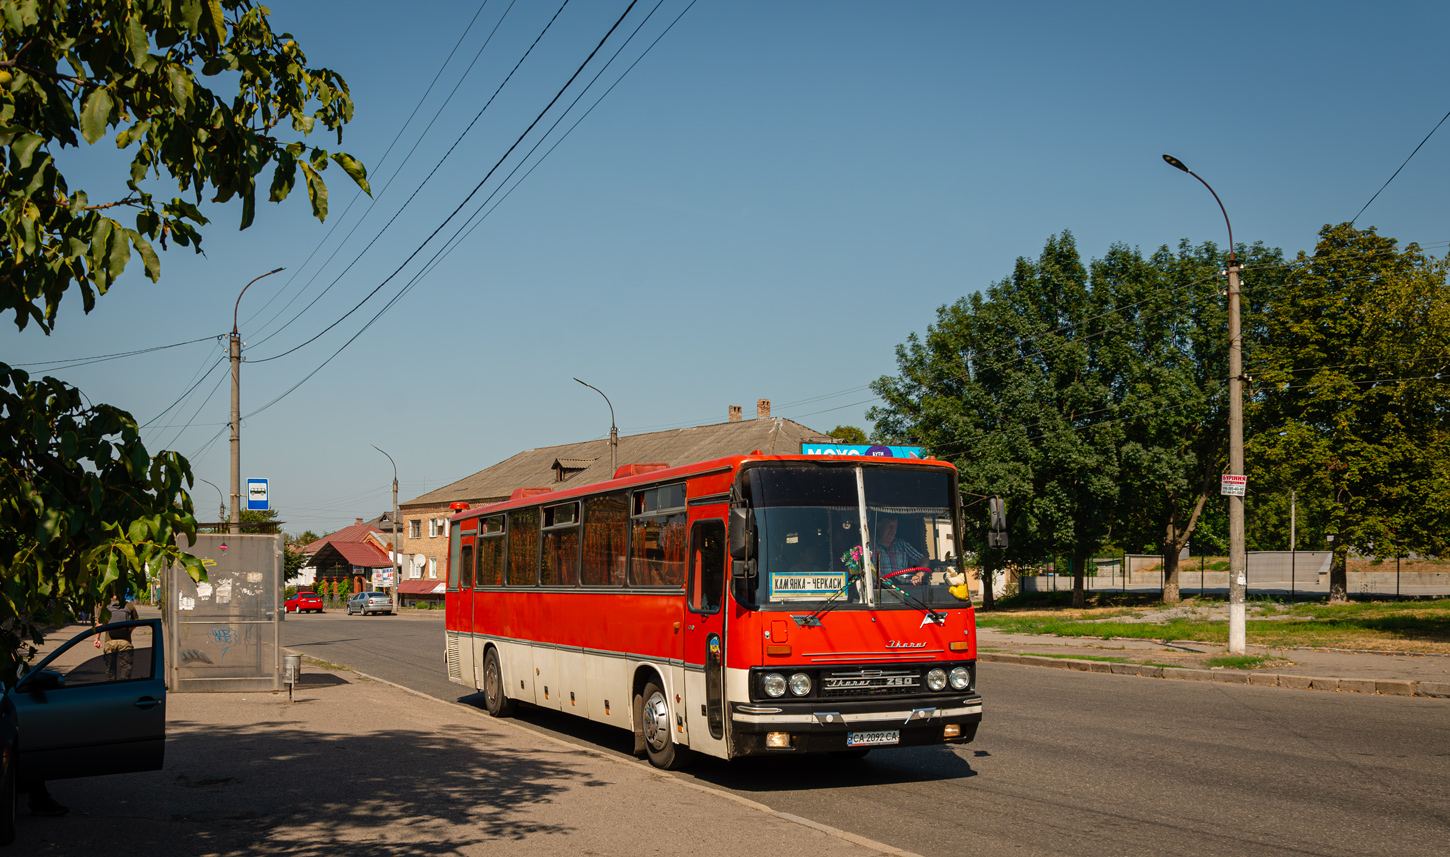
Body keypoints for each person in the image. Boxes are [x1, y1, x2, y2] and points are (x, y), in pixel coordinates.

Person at [872, 514, 928, 584]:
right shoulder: (868, 546)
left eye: (895, 526)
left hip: (902, 592)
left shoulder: (902, 545)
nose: (892, 530)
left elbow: (923, 560)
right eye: (889, 526)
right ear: (879, 525)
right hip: (878, 592)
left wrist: (920, 573)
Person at [95, 595, 139, 681]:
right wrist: (129, 630)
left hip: (110, 642)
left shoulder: (106, 606)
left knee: (110, 669)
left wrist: (97, 639)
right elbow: (136, 621)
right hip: (125, 642)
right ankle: (123, 689)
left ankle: (111, 689)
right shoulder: (129, 605)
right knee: (126, 668)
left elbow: (99, 624)